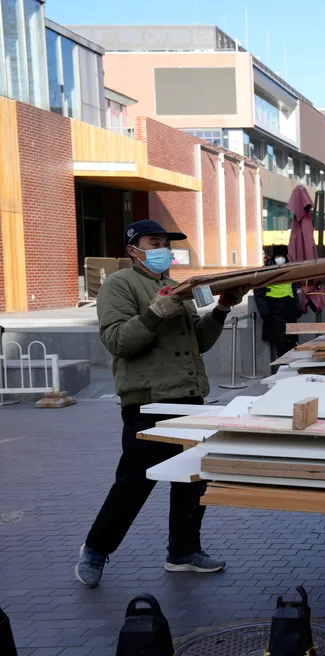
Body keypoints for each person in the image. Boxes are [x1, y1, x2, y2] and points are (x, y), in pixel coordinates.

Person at [74, 220, 246, 587]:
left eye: (166, 244)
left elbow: (199, 342)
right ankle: (95, 549)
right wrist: (156, 311)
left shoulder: (178, 287)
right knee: (134, 483)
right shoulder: (120, 285)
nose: (163, 250)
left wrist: (221, 309)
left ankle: (183, 552)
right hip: (148, 401)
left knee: (191, 479)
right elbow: (118, 341)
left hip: (189, 397)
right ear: (133, 249)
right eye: (155, 242)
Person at [253, 245, 303, 364]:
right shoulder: (266, 270)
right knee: (280, 341)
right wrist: (265, 312)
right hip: (274, 308)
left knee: (291, 339)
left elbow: (293, 289)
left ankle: (289, 365)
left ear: (285, 256)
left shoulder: (290, 269)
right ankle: (284, 366)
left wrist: (298, 307)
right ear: (273, 256)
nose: (280, 258)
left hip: (289, 307)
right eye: (278, 256)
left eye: (282, 256)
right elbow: (259, 293)